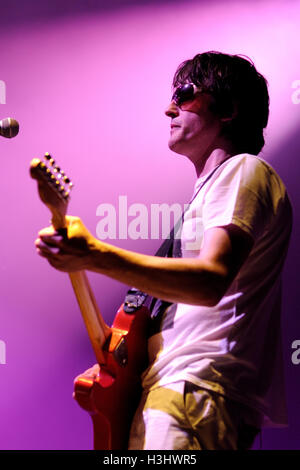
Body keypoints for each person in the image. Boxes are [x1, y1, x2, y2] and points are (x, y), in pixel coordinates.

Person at [35, 51, 292, 450]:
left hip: (196, 390)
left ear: (228, 109)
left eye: (184, 94)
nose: (169, 108)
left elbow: (210, 282)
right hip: (173, 390)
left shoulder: (244, 170)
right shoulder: (209, 194)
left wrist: (96, 255)